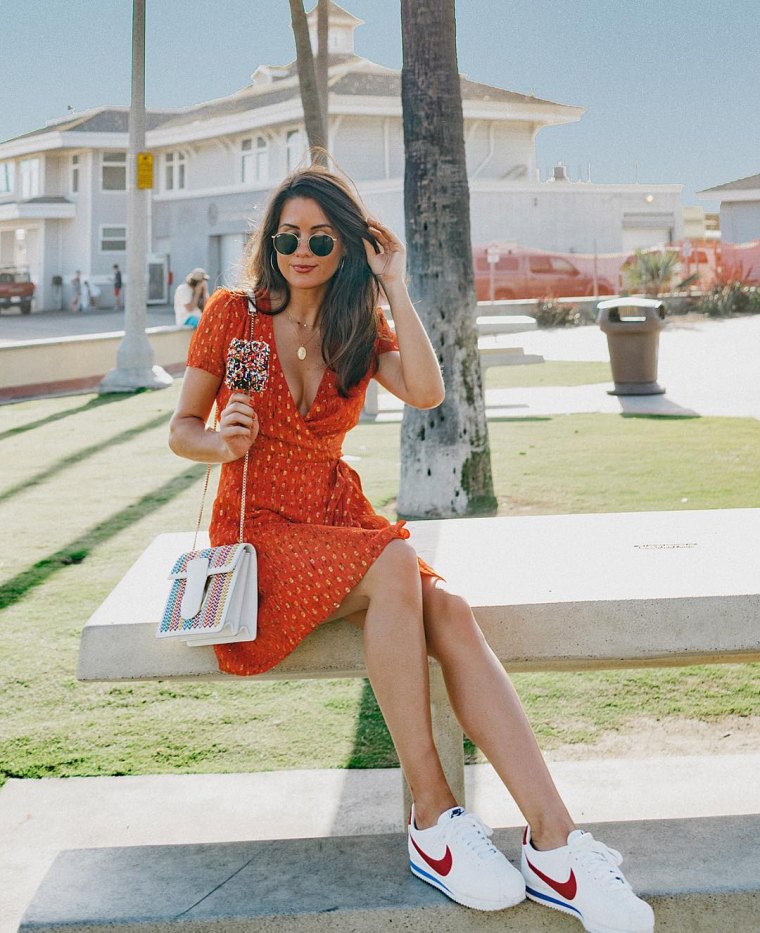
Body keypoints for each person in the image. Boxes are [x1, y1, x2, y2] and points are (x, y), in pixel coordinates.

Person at [168, 165, 654, 933]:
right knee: (397, 562)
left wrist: (393, 281)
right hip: (257, 525)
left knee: (451, 608)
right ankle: (433, 813)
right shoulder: (235, 316)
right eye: (287, 236)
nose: (300, 249)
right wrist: (221, 444)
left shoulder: (358, 324)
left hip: (336, 513)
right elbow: (181, 429)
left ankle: (557, 844)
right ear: (270, 241)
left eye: (320, 238)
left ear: (347, 245)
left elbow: (426, 392)